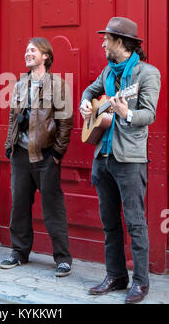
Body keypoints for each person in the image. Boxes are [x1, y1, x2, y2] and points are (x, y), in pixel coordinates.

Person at [79, 17, 161, 304]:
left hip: (130, 159)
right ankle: (115, 275)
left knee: (135, 222)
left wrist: (126, 113)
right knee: (109, 222)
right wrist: (85, 104)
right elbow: (90, 91)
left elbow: (148, 114)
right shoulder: (107, 71)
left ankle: (140, 282)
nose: (102, 43)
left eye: (107, 39)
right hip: (103, 156)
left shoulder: (147, 74)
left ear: (121, 43)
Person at [0, 37, 74, 277]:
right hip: (20, 155)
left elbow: (66, 122)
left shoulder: (59, 84)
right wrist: (9, 145)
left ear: (46, 56)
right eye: (26, 50)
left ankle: (62, 259)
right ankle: (18, 252)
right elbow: (13, 116)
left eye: (33, 50)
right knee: (19, 205)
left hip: (45, 156)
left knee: (53, 208)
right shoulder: (20, 84)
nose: (27, 53)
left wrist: (57, 153)